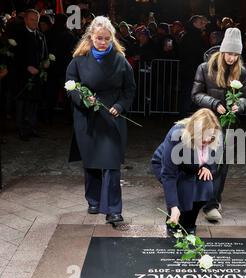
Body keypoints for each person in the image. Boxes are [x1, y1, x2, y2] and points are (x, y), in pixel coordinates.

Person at [66, 16, 136, 224]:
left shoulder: (120, 60)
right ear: (91, 37)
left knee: (112, 164)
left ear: (112, 38)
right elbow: (71, 86)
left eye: (107, 38)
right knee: (92, 162)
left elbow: (129, 89)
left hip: (112, 118)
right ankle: (93, 200)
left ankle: (114, 209)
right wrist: (83, 98)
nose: (103, 42)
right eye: (99, 38)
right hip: (87, 118)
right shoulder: (78, 61)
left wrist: (121, 106)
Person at [191, 27, 246, 222]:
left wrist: (238, 106)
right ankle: (204, 198)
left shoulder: (242, 72)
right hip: (208, 121)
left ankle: (213, 202)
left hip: (229, 124)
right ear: (222, 51)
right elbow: (196, 94)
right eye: (229, 53)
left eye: (235, 54)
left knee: (223, 164)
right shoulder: (205, 68)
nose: (231, 58)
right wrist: (215, 103)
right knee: (206, 161)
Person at [151, 108, 221, 235]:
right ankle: (173, 222)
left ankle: (189, 223)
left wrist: (208, 167)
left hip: (194, 165)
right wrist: (173, 206)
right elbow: (169, 174)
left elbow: (213, 152)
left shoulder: (212, 135)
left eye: (209, 139)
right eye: (203, 140)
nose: (206, 142)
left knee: (206, 186)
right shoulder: (177, 135)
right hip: (169, 167)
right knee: (183, 189)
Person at [15, 9, 49, 141]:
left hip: (37, 76)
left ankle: (32, 127)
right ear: (25, 20)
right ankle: (22, 129)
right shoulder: (19, 34)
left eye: (37, 20)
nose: (35, 22)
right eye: (32, 19)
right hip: (22, 77)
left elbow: (44, 52)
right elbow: (14, 56)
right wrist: (26, 67)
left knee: (34, 103)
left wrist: (46, 61)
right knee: (22, 104)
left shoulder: (41, 35)